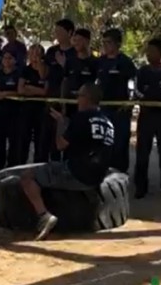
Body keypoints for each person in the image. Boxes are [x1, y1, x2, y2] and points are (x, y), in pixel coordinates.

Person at [20, 83, 115, 241]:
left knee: (27, 176)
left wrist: (59, 125)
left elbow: (60, 145)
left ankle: (44, 216)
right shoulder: (108, 122)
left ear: (87, 99)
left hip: (77, 173)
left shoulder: (81, 118)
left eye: (80, 95)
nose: (77, 99)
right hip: (98, 176)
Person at [133, 38, 161, 199]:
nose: (149, 54)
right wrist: (150, 96)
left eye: (152, 51)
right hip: (146, 116)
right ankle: (140, 186)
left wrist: (155, 95)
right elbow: (137, 92)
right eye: (148, 51)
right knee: (142, 153)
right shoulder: (141, 72)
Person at [97, 28, 137, 173]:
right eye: (104, 43)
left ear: (118, 44)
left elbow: (133, 83)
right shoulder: (100, 62)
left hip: (120, 110)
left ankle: (120, 173)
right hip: (103, 109)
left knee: (120, 144)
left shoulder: (125, 62)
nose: (106, 46)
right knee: (103, 142)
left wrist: (130, 103)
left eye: (109, 43)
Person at [45, 18, 77, 159]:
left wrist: (64, 64)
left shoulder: (75, 53)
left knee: (69, 136)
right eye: (56, 31)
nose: (57, 34)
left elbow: (75, 77)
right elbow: (45, 74)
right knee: (51, 136)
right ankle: (53, 165)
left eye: (60, 31)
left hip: (69, 101)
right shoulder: (51, 51)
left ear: (70, 33)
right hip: (52, 99)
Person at [0, 50, 22, 174]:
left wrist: (7, 93)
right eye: (5, 58)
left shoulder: (19, 74)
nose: (7, 61)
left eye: (9, 58)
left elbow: (20, 91)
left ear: (14, 60)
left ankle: (12, 166)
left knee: (14, 142)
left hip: (14, 112)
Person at [19, 44, 49, 163]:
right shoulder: (25, 70)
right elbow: (21, 89)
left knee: (40, 139)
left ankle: (39, 165)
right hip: (27, 108)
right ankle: (21, 163)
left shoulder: (46, 69)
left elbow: (45, 91)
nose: (33, 57)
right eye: (31, 54)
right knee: (24, 138)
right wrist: (35, 90)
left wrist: (30, 88)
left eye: (37, 54)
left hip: (41, 109)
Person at [63, 28, 99, 117]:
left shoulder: (96, 62)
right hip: (70, 105)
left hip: (87, 106)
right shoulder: (70, 61)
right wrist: (63, 102)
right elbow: (65, 81)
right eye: (75, 40)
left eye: (79, 40)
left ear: (87, 41)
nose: (76, 43)